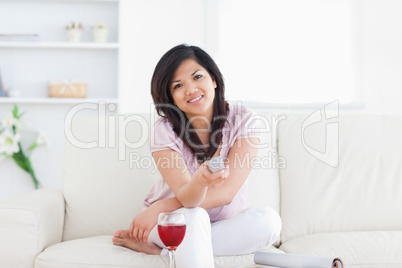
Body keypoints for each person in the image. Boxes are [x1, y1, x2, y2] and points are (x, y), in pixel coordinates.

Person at [112, 44, 281, 267]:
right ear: (170, 97)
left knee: (269, 222)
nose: (190, 89)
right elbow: (189, 199)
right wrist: (197, 184)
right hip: (171, 223)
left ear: (214, 80)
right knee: (195, 216)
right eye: (178, 85)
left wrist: (160, 206)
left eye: (197, 77)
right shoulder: (164, 131)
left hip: (220, 224)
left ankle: (164, 252)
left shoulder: (245, 120)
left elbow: (227, 192)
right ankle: (172, 246)